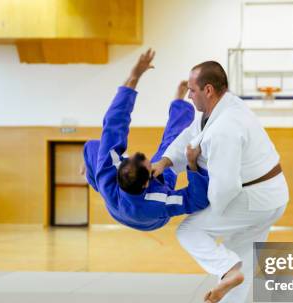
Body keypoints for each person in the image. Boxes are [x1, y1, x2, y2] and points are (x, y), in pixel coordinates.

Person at [152, 61, 289, 303]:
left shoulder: (226, 127)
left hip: (253, 197)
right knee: (242, 254)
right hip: (271, 195)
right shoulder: (221, 108)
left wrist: (203, 197)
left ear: (209, 90)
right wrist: (166, 161)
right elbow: (189, 136)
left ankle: (227, 271)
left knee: (190, 230)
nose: (189, 96)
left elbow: (225, 187)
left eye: (192, 90)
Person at [83, 49, 209, 231]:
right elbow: (196, 200)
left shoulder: (107, 174)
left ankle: (88, 172)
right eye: (151, 166)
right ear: (147, 182)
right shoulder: (159, 200)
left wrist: (134, 77)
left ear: (118, 171)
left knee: (95, 147)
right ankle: (180, 105)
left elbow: (114, 121)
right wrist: (192, 166)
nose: (154, 163)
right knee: (170, 145)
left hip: (116, 205)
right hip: (151, 220)